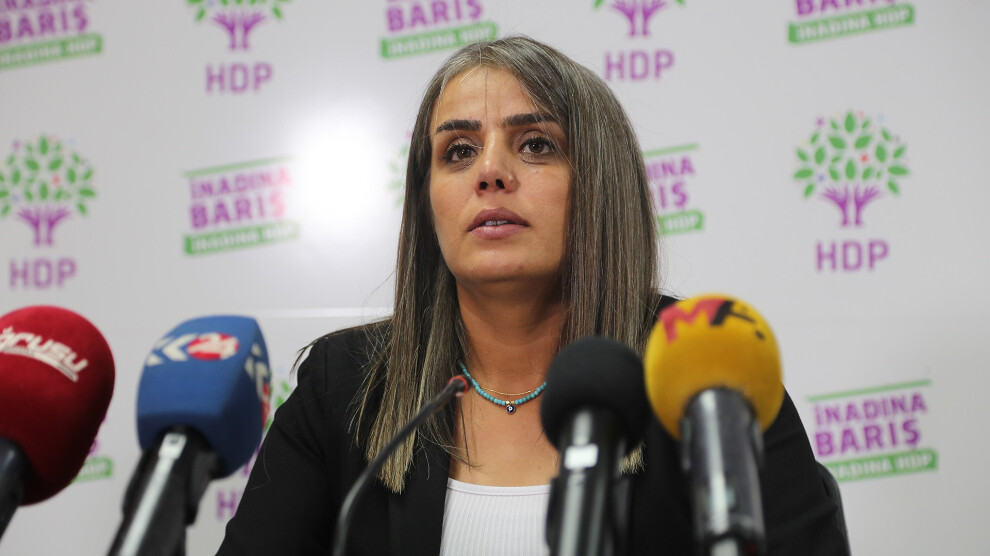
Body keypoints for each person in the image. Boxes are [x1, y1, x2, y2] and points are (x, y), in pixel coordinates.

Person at [218, 36, 848, 555]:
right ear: (427, 201)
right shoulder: (345, 386)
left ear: (600, 183)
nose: (490, 171)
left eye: (536, 144)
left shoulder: (707, 368)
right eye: (458, 151)